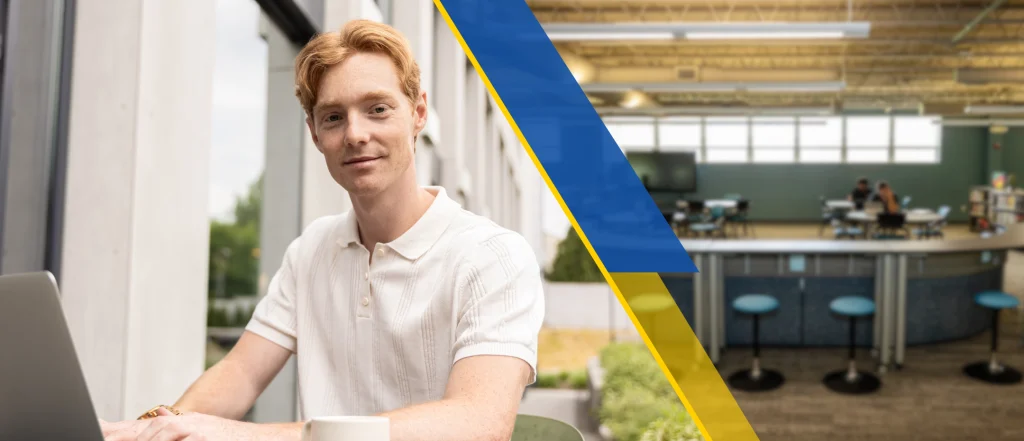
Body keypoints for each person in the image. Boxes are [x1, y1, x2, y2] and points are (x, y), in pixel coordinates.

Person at [100, 19, 545, 441]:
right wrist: (158, 428)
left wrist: (246, 435)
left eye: (377, 109)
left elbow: (478, 423)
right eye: (333, 117)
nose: (355, 134)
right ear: (314, 133)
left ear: (418, 113)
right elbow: (241, 373)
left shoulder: (495, 256)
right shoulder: (312, 249)